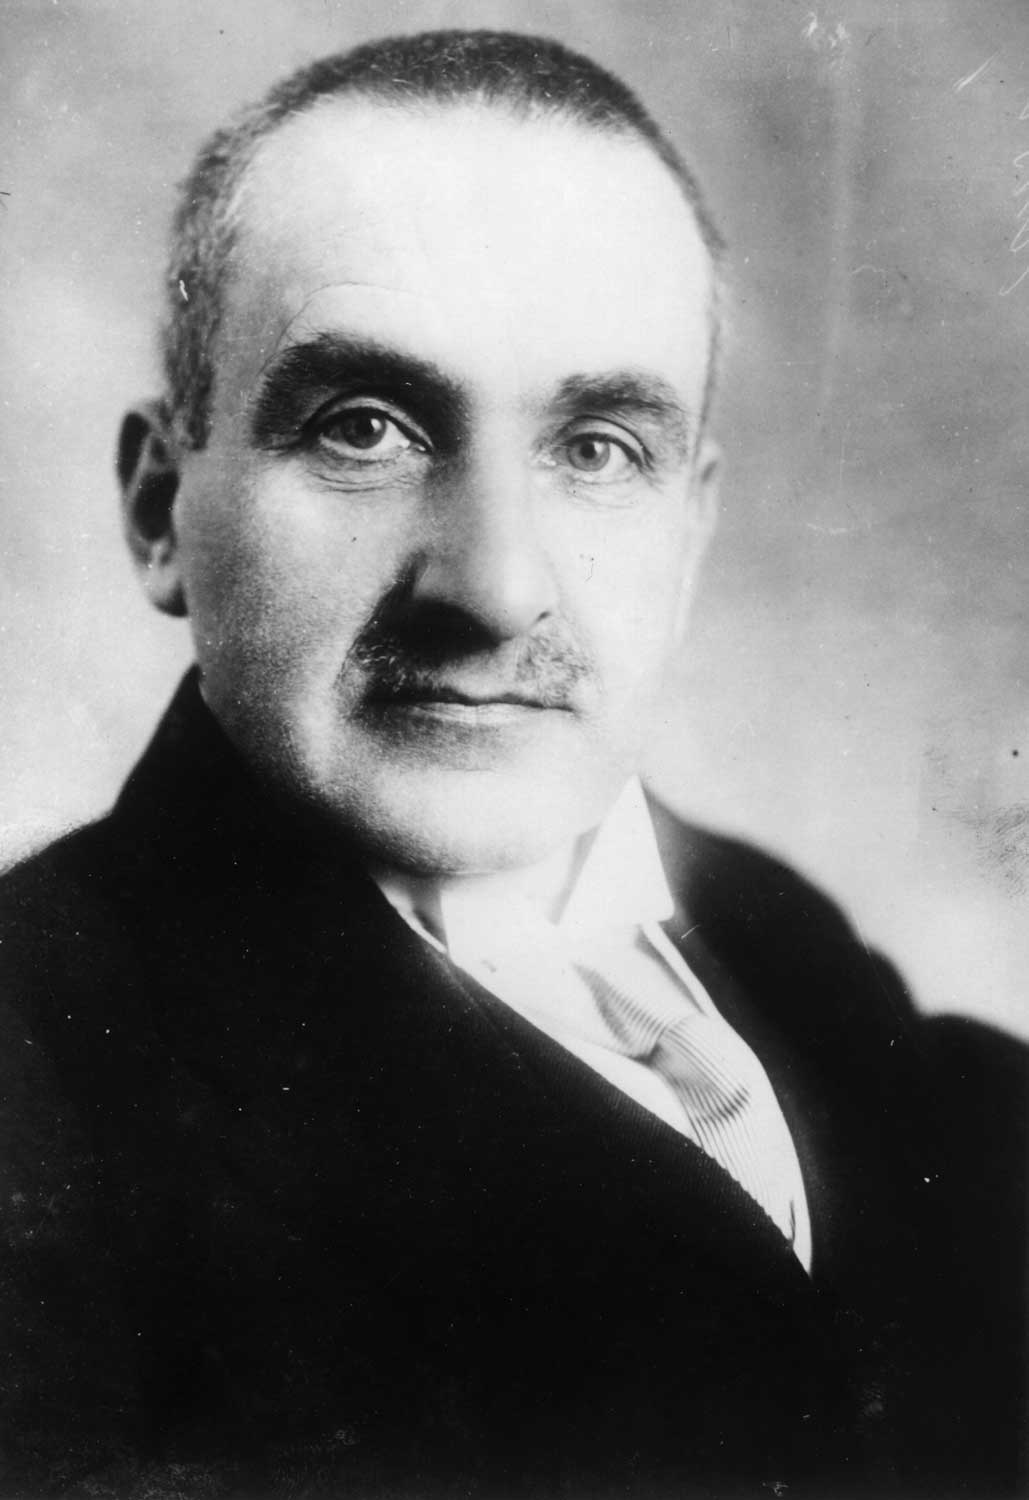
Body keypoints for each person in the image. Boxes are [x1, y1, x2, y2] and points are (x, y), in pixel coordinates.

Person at [0, 29, 1024, 1500]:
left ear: (688, 532)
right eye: (363, 428)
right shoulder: (36, 1089)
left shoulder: (794, 958)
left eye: (598, 448)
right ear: (161, 508)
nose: (491, 588)